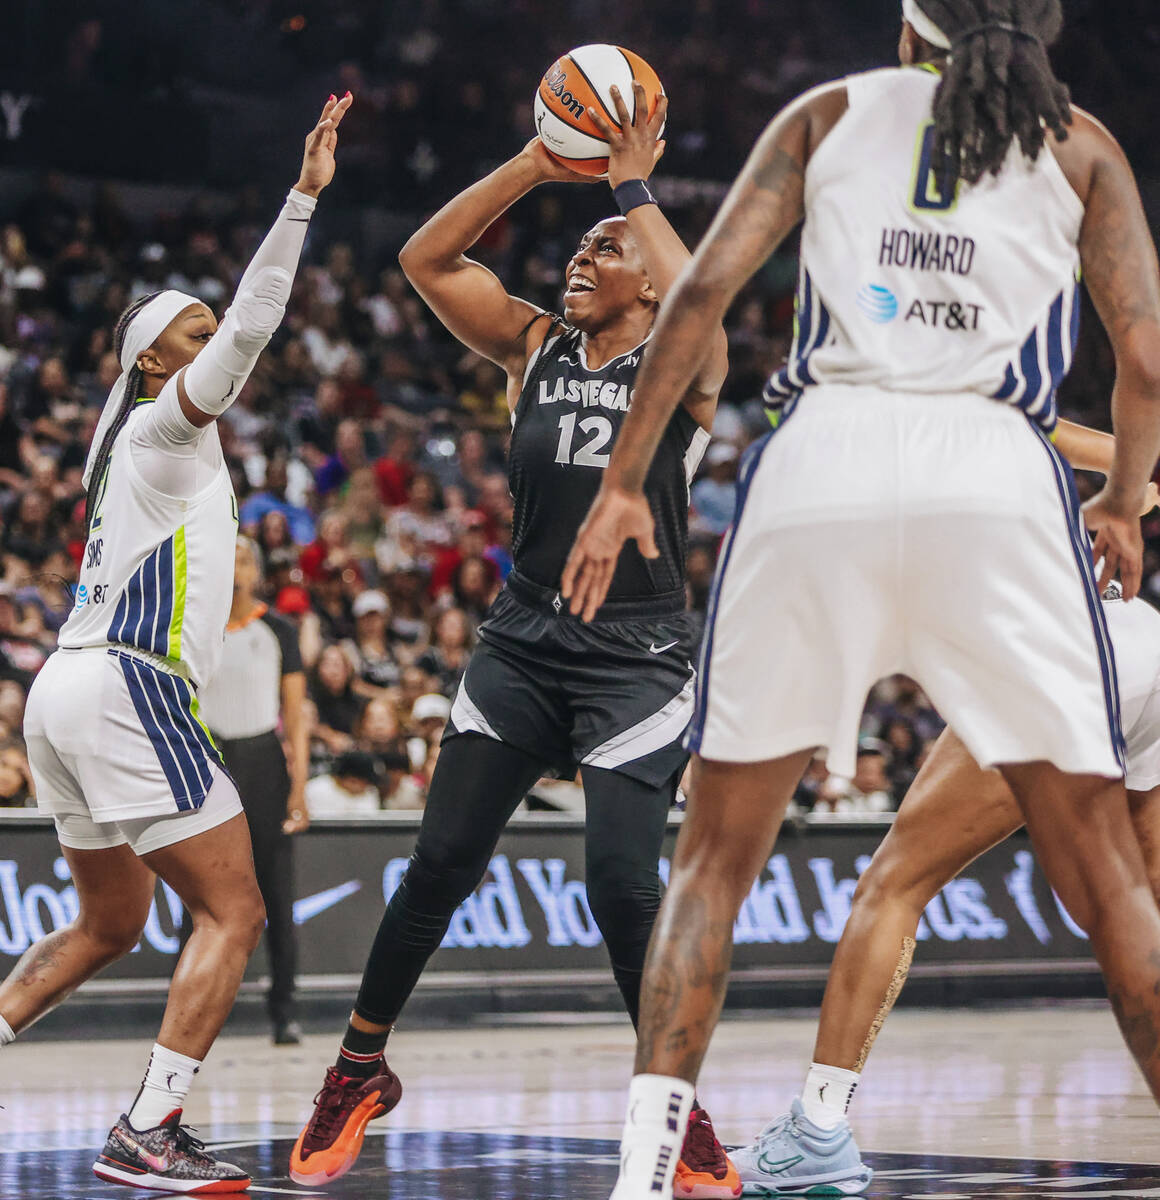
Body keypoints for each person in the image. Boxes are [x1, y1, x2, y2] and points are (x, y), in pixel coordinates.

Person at [562, 3, 1160, 1194]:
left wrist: (620, 488)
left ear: (911, 33)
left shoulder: (830, 112)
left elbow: (694, 300)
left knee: (709, 865)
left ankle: (644, 1178)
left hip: (825, 463)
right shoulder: (1085, 147)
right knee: (1113, 879)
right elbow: (1149, 363)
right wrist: (1120, 500)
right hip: (998, 479)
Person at [289, 84, 737, 1199]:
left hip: (636, 657)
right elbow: (425, 259)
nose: (583, 259)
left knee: (624, 888)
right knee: (440, 861)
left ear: (646, 276)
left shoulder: (682, 364)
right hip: (525, 638)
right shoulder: (532, 347)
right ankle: (356, 1070)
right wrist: (541, 163)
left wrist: (632, 186)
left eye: (608, 249)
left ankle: (671, 1105)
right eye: (579, 247)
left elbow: (701, 296)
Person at [0, 94, 351, 1193]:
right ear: (152, 364)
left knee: (111, 922)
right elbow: (250, 326)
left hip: (63, 682)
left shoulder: (119, 430)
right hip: (126, 683)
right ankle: (149, 1128)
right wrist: (300, 200)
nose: (214, 351)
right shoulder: (159, 423)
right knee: (234, 907)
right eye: (189, 338)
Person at [732, 579, 1160, 1194]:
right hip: (1146, 638)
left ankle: (817, 1129)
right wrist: (1129, 494)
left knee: (890, 887)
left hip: (1065, 649)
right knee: (1146, 904)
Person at [198, 535, 310, 1047]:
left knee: (275, 893)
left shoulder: (278, 630)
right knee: (199, 894)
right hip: (209, 758)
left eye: (245, 557)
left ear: (257, 570)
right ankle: (194, 1008)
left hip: (264, 760)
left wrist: (299, 787)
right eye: (231, 554)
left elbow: (296, 713)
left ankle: (283, 1009)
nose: (236, 563)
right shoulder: (193, 628)